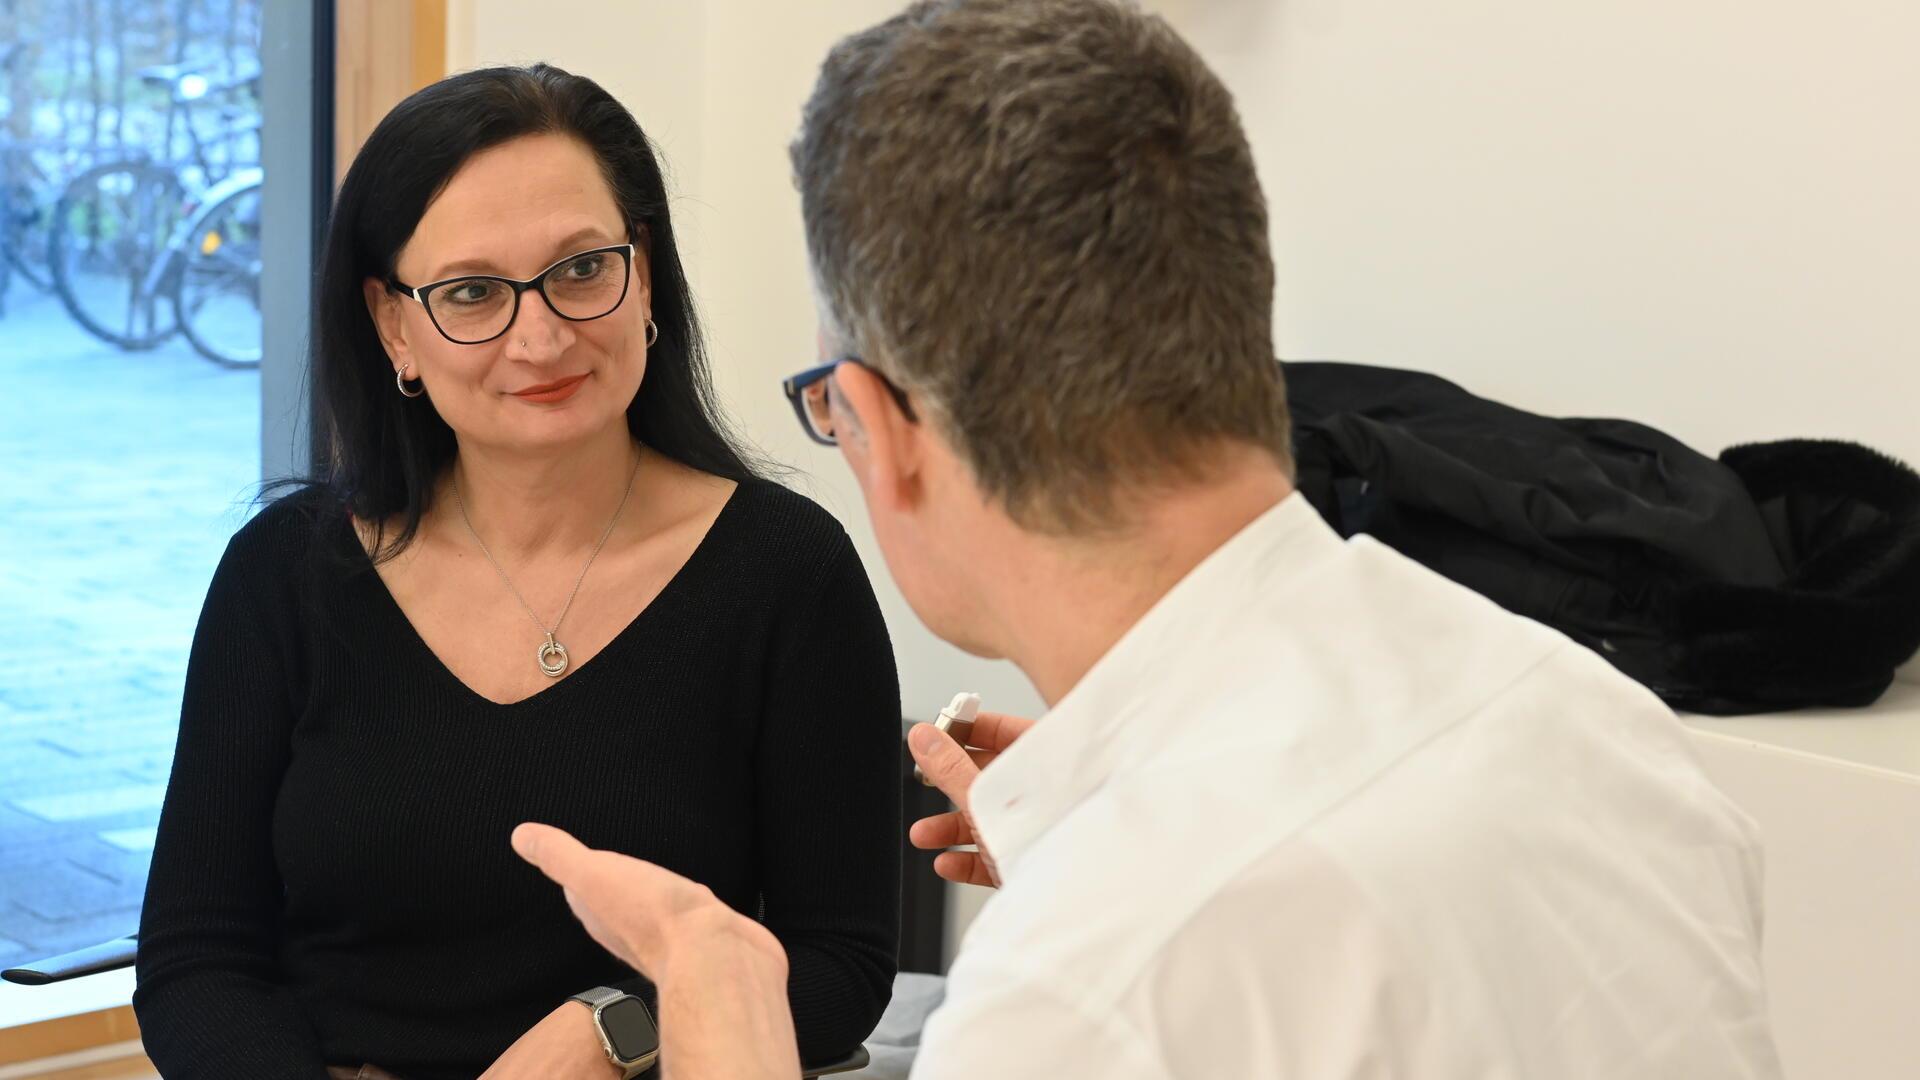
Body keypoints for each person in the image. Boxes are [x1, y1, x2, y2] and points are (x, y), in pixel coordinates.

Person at [512, 1, 1784, 1077]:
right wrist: (1101, 829)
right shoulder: (1590, 720)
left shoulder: (1089, 992)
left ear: (884, 428)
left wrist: (714, 986)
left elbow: (1197, 941)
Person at [133, 65, 902, 1080]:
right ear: (394, 325)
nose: (540, 337)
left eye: (583, 269)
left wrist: (617, 1027)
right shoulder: (284, 574)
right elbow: (197, 960)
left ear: (648, 275)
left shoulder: (789, 575)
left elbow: (842, 962)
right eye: (471, 293)